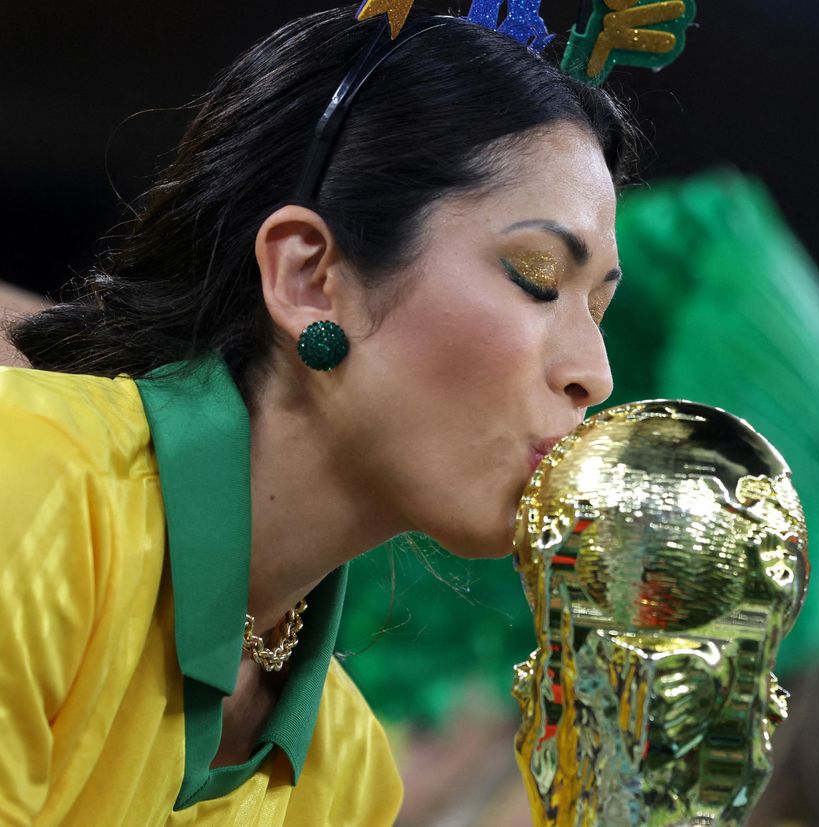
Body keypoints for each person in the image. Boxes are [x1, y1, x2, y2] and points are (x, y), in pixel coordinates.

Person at [0, 3, 633, 823]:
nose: (596, 375)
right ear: (309, 278)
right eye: (537, 276)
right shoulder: (36, 488)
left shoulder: (352, 773)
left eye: (601, 311)